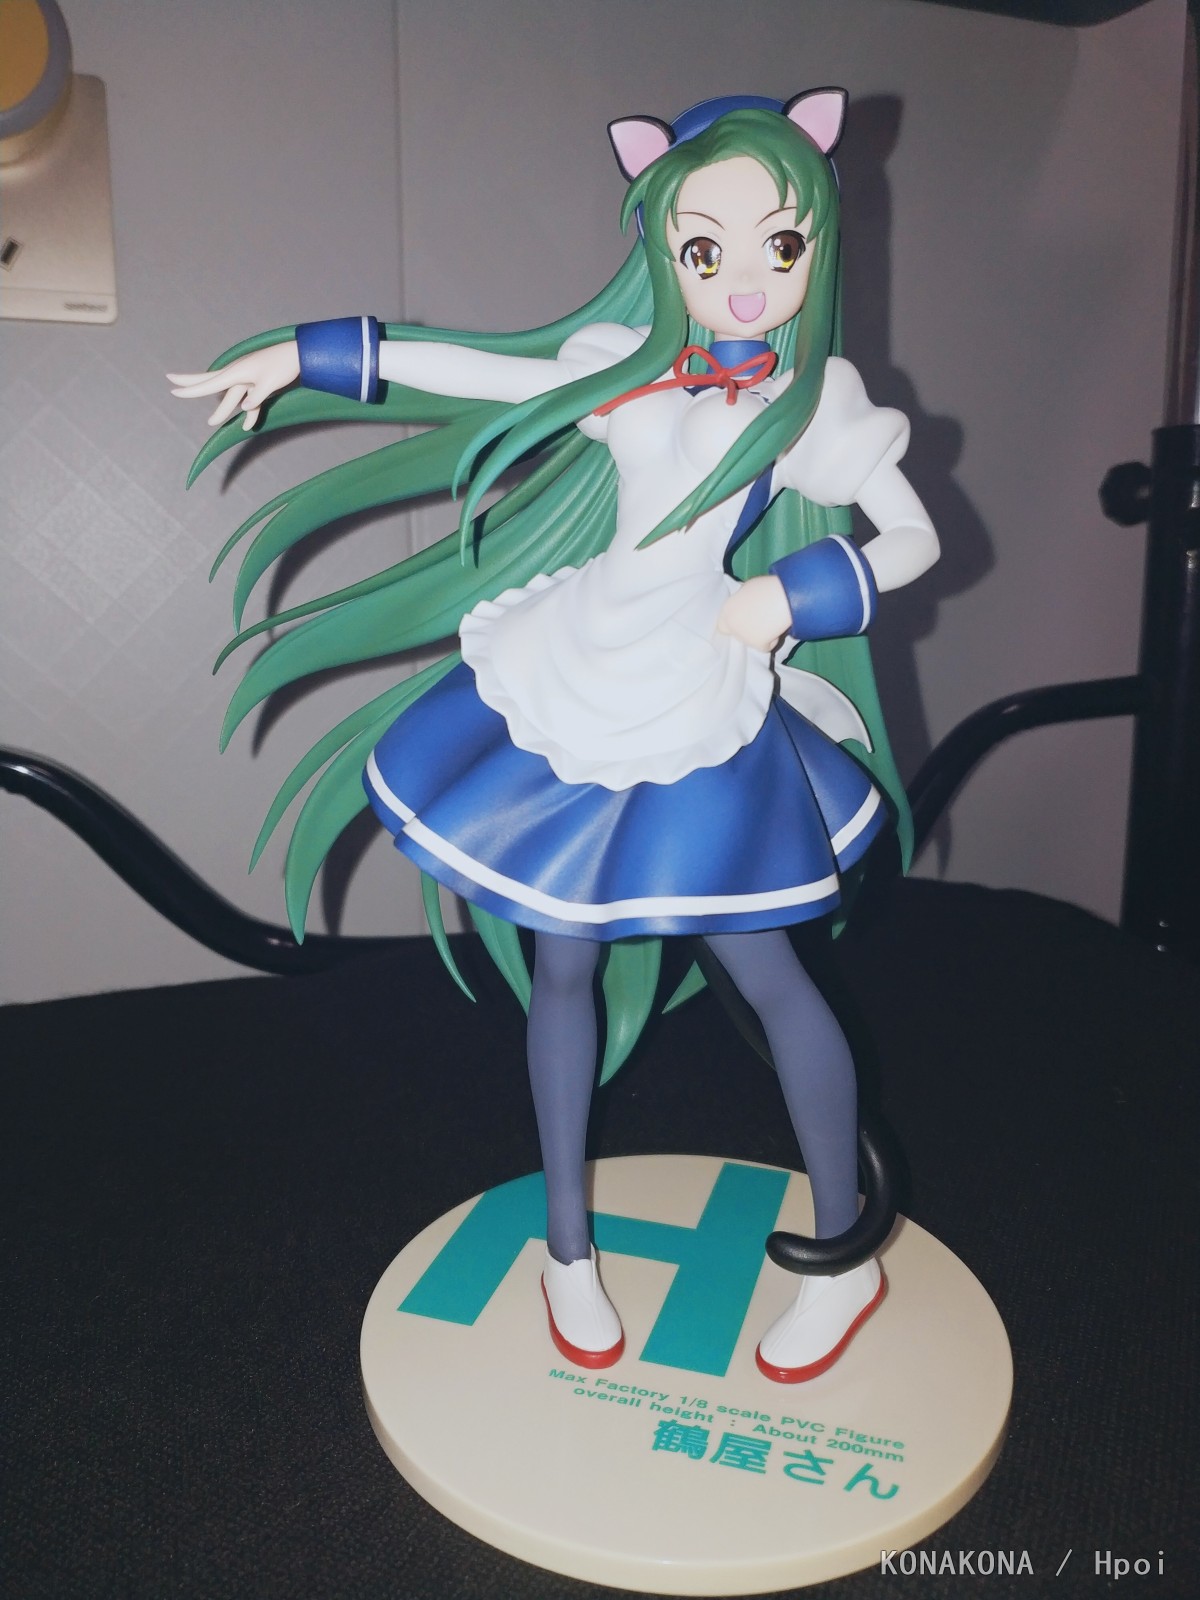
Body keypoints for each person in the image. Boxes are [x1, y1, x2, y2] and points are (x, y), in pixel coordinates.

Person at [170, 89, 939, 1383]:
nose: (746, 280)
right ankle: (566, 1250)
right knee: (563, 964)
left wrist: (795, 594)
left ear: (819, 241)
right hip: (573, 670)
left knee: (773, 976)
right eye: (705, 249)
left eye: (779, 245)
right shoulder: (626, 366)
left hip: (697, 696)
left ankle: (844, 1251)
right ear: (664, 249)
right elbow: (482, 370)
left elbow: (914, 536)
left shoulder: (814, 401)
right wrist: (307, 355)